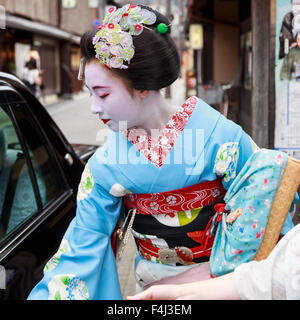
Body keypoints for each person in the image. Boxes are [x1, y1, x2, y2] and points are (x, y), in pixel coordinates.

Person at [27, 4, 297, 300]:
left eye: (103, 93)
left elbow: (265, 204)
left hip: (224, 283)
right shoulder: (104, 165)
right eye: (91, 94)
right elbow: (84, 243)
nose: (94, 107)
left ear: (145, 86)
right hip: (152, 286)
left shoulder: (222, 137)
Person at [128, 222, 300, 300]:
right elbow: (274, 278)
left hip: (155, 267)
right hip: (221, 264)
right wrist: (179, 292)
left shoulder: (109, 159)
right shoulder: (232, 148)